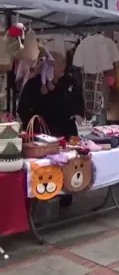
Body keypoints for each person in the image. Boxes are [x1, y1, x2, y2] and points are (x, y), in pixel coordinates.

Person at [18, 51, 84, 207]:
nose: (63, 71)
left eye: (64, 68)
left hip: (68, 131)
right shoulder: (34, 84)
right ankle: (43, 196)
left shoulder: (69, 81)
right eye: (59, 68)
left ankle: (67, 194)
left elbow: (77, 101)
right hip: (43, 135)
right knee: (46, 168)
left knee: (69, 163)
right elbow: (23, 109)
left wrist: (78, 113)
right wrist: (33, 126)